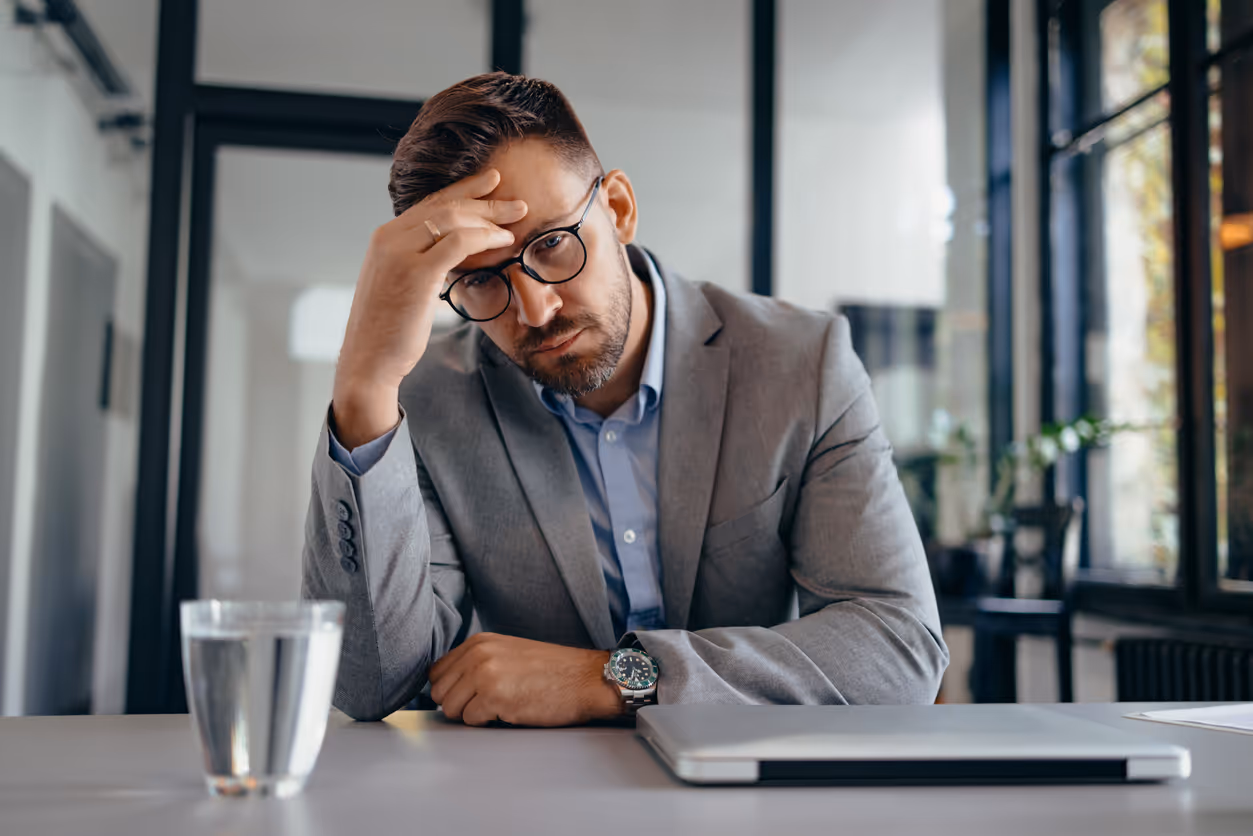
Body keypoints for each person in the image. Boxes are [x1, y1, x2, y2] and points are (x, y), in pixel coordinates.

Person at [303, 72, 947, 726]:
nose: (535, 309)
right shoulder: (433, 404)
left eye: (552, 244)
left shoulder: (802, 364)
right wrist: (363, 386)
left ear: (617, 209)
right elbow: (370, 682)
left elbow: (898, 646)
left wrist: (613, 677)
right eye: (478, 280)